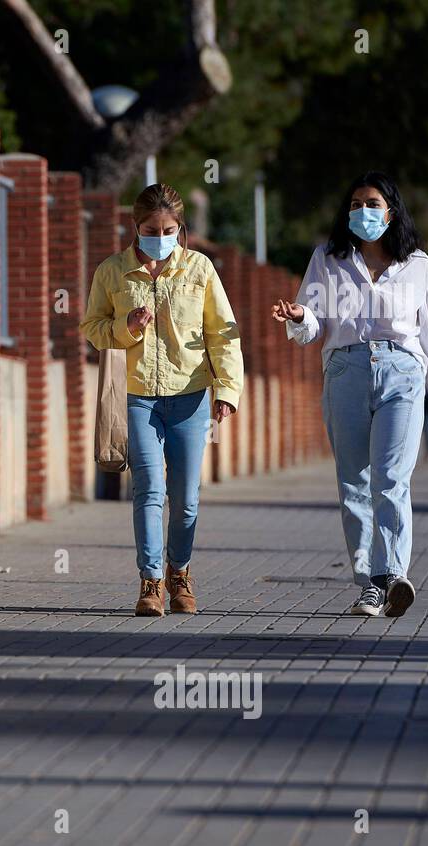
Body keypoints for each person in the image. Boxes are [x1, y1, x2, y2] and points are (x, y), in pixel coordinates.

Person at [272, 171, 428, 617]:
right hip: (345, 370)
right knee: (353, 483)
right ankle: (370, 581)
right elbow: (311, 327)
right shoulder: (327, 259)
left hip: (402, 372)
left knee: (391, 478)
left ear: (391, 212)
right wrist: (300, 314)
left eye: (373, 204)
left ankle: (392, 574)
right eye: (356, 203)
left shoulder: (419, 266)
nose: (364, 211)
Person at [82, 184, 244, 616]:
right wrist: (126, 327)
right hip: (135, 395)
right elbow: (91, 327)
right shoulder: (112, 271)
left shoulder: (200, 270)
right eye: (151, 228)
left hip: (189, 396)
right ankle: (150, 581)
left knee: (186, 497)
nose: (160, 235)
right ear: (135, 227)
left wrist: (227, 390)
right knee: (148, 490)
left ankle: (181, 573)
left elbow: (223, 334)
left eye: (169, 228)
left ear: (181, 228)